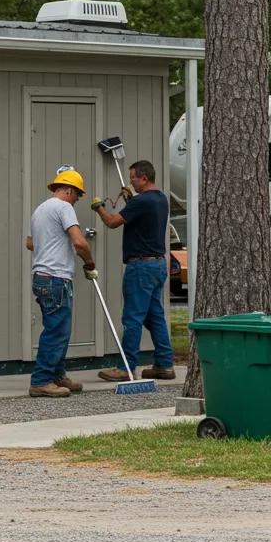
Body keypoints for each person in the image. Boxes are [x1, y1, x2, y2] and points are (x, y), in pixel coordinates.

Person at [90, 160, 176, 381]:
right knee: (155, 317)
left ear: (144, 178)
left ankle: (126, 368)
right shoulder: (160, 199)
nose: (131, 183)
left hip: (140, 266)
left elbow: (112, 222)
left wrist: (99, 207)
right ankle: (165, 365)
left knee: (132, 318)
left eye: (134, 179)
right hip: (158, 264)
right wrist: (131, 200)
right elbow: (141, 219)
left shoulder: (141, 201)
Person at [26, 168, 98, 397]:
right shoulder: (64, 207)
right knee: (56, 331)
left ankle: (57, 375)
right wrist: (90, 264)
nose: (77, 199)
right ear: (68, 190)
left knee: (58, 329)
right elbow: (80, 243)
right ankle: (41, 380)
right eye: (77, 195)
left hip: (41, 276)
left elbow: (30, 243)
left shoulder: (40, 210)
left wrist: (52, 244)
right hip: (56, 277)